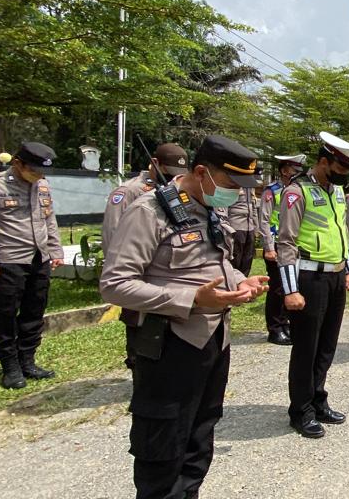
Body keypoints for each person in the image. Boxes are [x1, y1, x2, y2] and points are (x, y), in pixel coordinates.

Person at [98, 135, 269, 498]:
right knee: (162, 447)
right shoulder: (149, 211)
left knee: (198, 439)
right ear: (203, 172)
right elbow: (115, 284)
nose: (238, 193)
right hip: (168, 346)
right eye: (232, 184)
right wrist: (192, 299)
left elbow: (216, 261)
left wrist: (240, 281)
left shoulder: (207, 207)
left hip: (212, 341)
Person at [276, 132, 349, 439]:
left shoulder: (337, 193)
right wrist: (290, 290)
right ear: (323, 162)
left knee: (327, 345)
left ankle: (317, 398)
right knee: (306, 348)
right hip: (309, 279)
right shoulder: (296, 192)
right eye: (339, 170)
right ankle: (300, 410)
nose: (343, 178)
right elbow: (285, 242)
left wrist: (348, 269)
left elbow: (342, 232)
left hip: (336, 276)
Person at [0, 142, 64, 389]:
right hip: (8, 259)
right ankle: (9, 366)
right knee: (3, 315)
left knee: (34, 312)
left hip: (39, 258)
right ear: (17, 163)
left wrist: (55, 250)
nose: (39, 175)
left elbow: (49, 218)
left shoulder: (42, 185)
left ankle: (28, 360)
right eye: (34, 170)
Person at [102, 142, 190, 370]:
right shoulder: (129, 191)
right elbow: (113, 234)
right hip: (137, 270)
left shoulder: (177, 191)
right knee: (136, 321)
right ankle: (136, 365)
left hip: (167, 270)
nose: (171, 178)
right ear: (154, 163)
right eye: (168, 172)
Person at [259, 154, 306, 346]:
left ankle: (285, 323)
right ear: (285, 170)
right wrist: (268, 247)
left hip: (292, 245)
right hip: (277, 244)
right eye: (295, 169)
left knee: (291, 285)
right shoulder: (272, 191)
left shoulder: (299, 190)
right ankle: (275, 328)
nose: (299, 173)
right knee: (278, 288)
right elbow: (263, 220)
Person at [226, 185, 259, 278]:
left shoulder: (250, 186)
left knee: (248, 259)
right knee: (235, 259)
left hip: (250, 228)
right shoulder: (232, 184)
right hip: (236, 227)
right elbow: (225, 208)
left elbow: (253, 208)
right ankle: (233, 284)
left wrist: (256, 228)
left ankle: (243, 282)